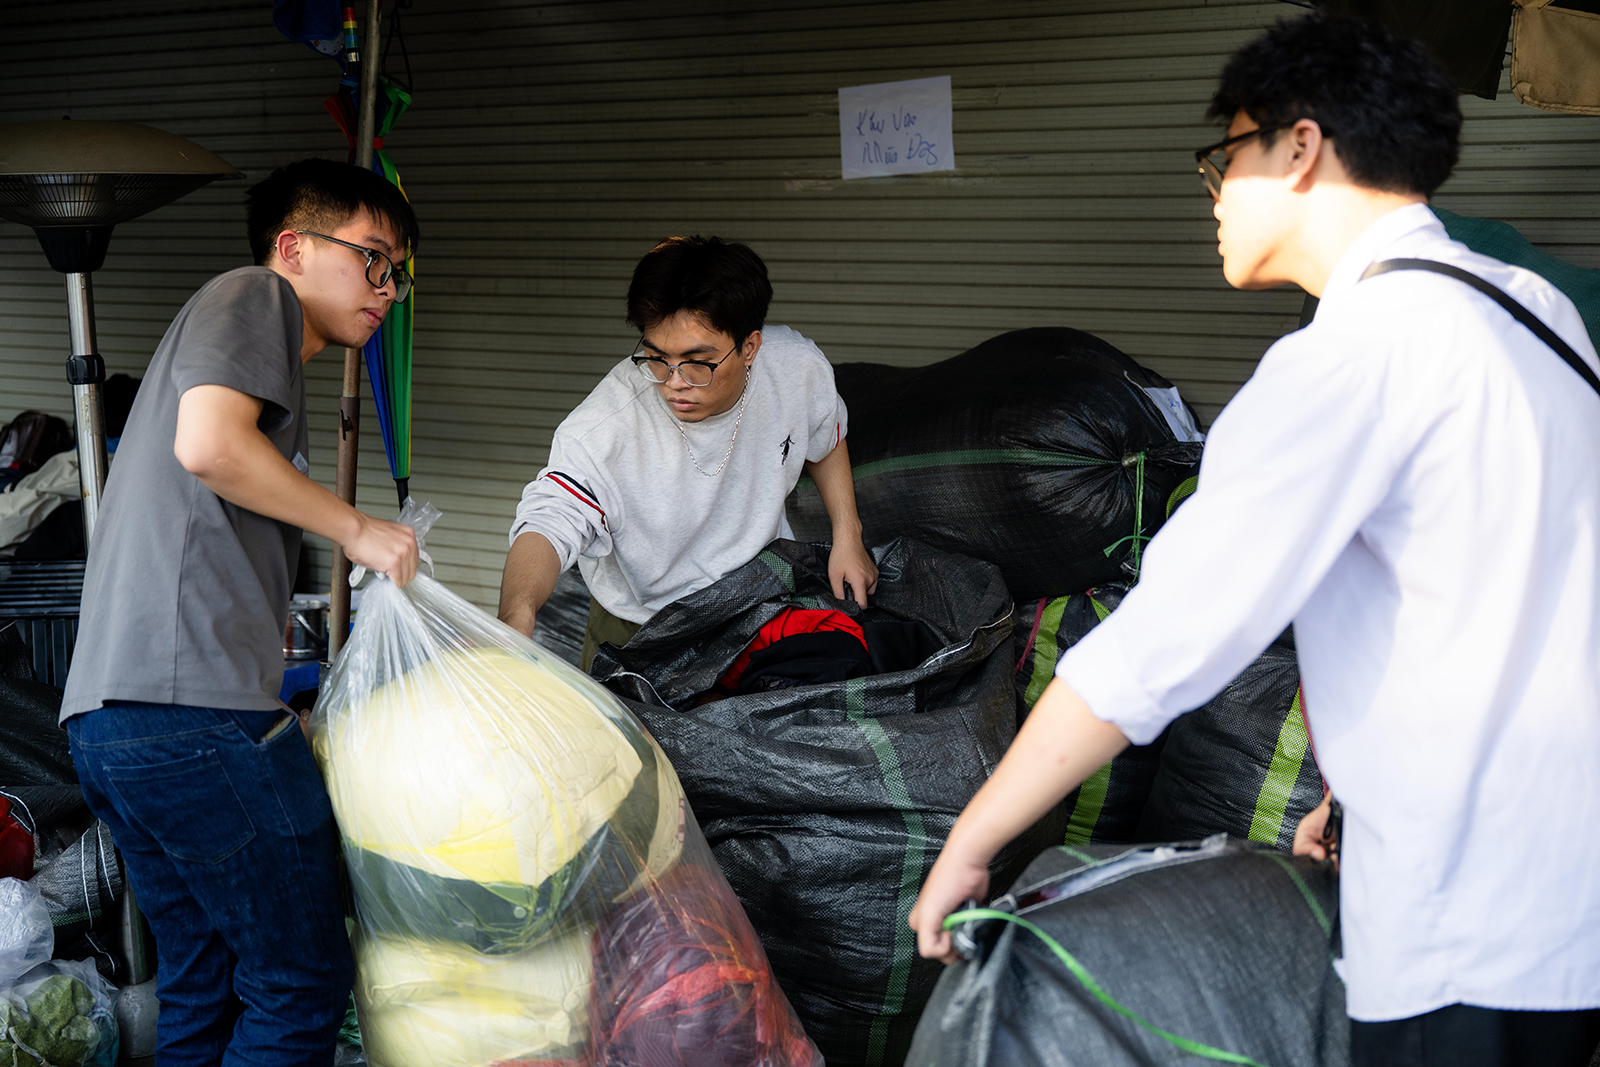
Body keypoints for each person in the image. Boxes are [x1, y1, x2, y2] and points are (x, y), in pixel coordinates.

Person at [909, 14, 1600, 1067]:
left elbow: (1161, 643)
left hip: (1467, 914)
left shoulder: (1350, 357)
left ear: (1298, 147)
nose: (1215, 193)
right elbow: (1509, 584)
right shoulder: (1534, 310)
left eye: (1221, 158)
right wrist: (1351, 785)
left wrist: (976, 837)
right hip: (1568, 888)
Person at [60, 158, 422, 1067]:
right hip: (191, 718)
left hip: (115, 725)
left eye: (398, 271)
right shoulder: (256, 292)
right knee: (300, 982)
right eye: (373, 258)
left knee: (206, 979)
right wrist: (361, 532)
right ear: (295, 247)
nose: (388, 289)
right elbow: (208, 445)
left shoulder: (257, 353)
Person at [499, 235, 878, 669]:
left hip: (761, 601)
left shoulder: (796, 368)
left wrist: (849, 536)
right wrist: (516, 615)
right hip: (642, 625)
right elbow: (549, 521)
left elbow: (825, 437)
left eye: (698, 361)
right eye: (656, 356)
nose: (674, 381)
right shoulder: (605, 426)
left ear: (750, 347)